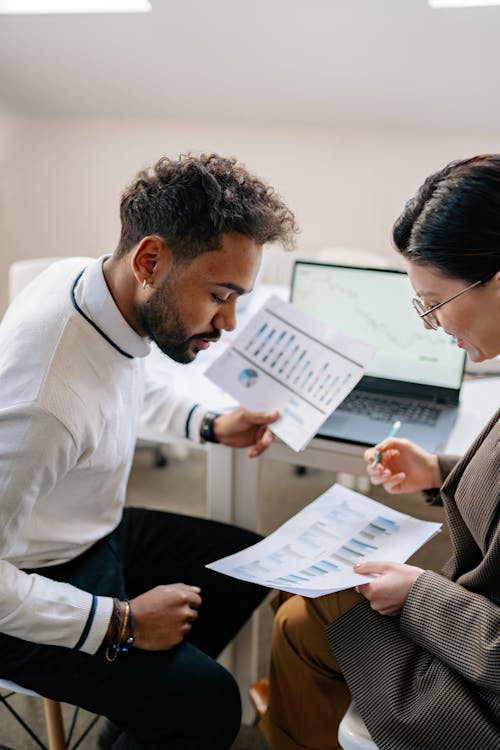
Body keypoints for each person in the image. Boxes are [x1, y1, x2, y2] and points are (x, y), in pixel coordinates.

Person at [0, 153, 298, 750]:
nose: (231, 321)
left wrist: (210, 424)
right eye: (220, 294)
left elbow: (127, 382)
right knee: (211, 701)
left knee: (248, 567)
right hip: (29, 586)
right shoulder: (43, 407)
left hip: (86, 533)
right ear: (150, 261)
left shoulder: (91, 285)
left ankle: (139, 722)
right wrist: (123, 623)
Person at [258, 154, 500, 750]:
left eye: (436, 301)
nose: (433, 325)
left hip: (482, 701)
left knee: (298, 616)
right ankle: (298, 714)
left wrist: (418, 595)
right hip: (474, 633)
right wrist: (438, 471)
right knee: (294, 593)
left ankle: (298, 720)